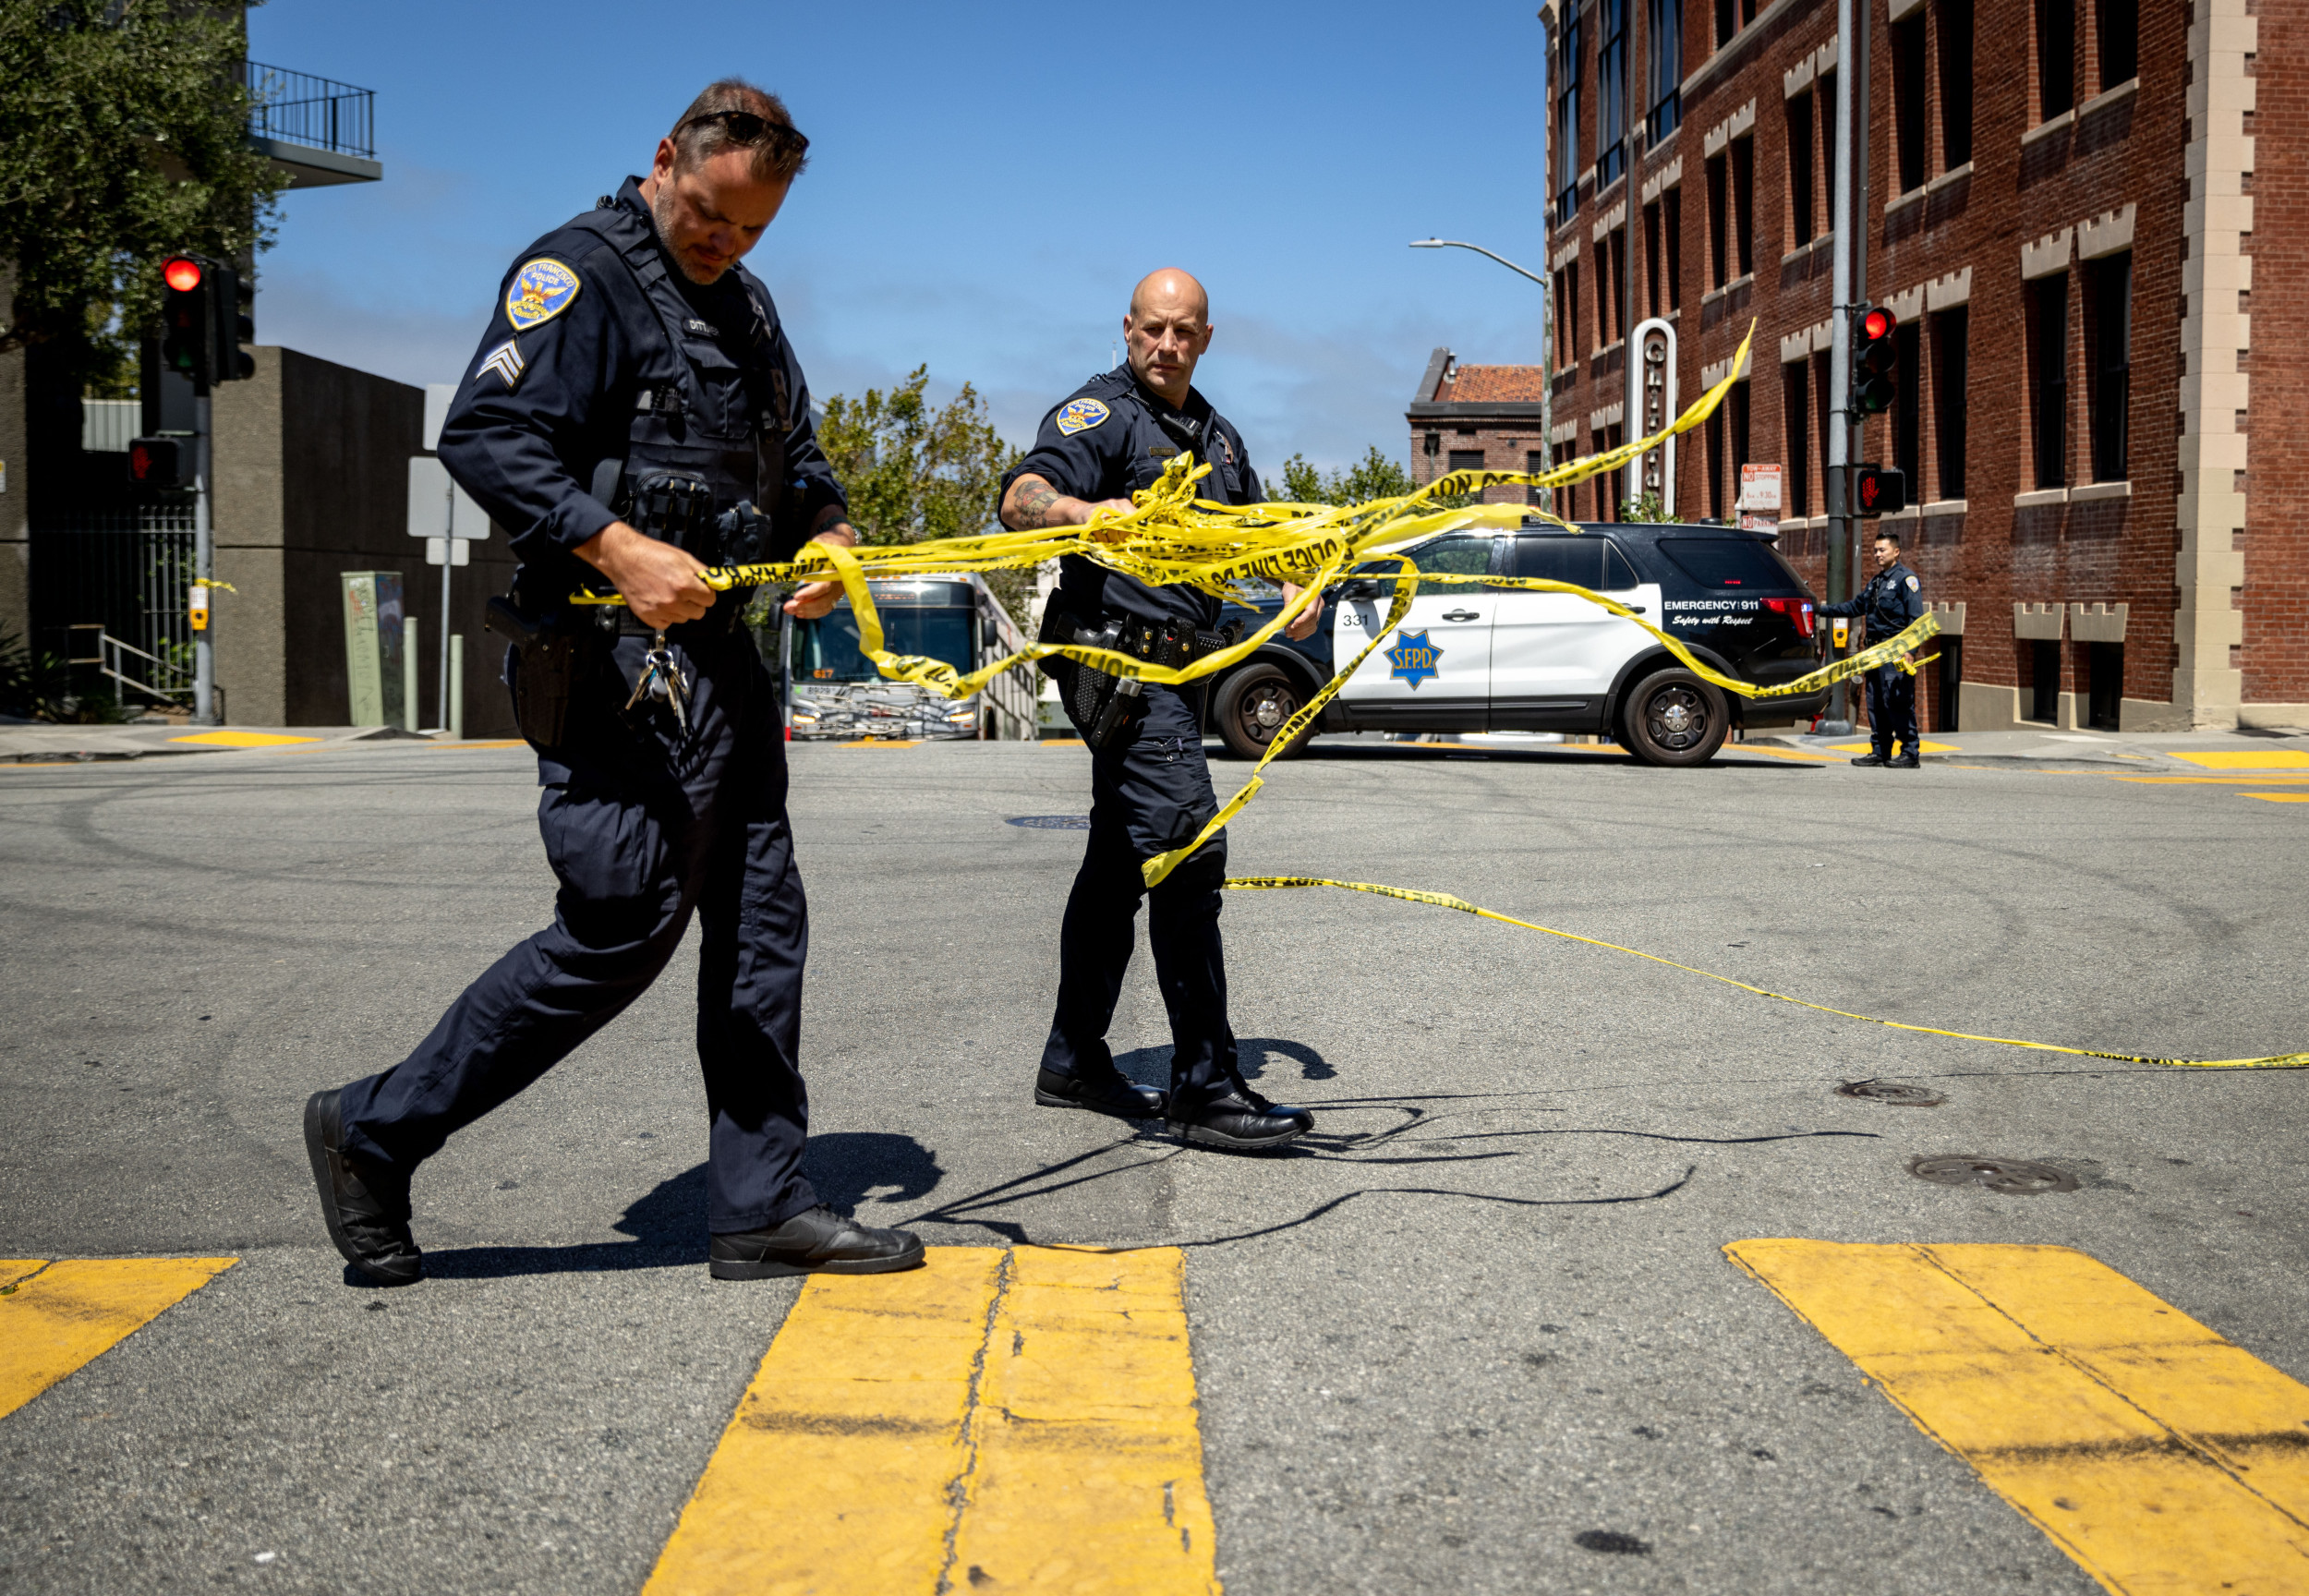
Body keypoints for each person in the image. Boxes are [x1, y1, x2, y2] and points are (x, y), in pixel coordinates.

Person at [303, 82, 924, 1287]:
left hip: (723, 664)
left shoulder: (746, 307)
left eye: (751, 229)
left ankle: (760, 1202)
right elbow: (486, 436)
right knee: (619, 927)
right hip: (608, 659)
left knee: (761, 928)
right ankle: (373, 1130)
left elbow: (800, 465)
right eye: (709, 216)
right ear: (664, 161)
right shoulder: (579, 277)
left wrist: (831, 538)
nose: (724, 244)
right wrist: (614, 543)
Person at [998, 269, 1322, 1151]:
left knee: (1116, 866)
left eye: (1183, 332)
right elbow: (1020, 496)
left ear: (1205, 339)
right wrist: (1077, 510)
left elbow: (1256, 529)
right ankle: (1205, 1085)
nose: (1165, 345)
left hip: (1184, 671)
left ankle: (1073, 1059)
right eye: (1151, 329)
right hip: (1123, 671)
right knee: (1188, 854)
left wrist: (1298, 575)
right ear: (1128, 328)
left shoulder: (1215, 437)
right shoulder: (1100, 417)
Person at [1822, 529, 1926, 768]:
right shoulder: (1876, 582)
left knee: (1898, 702)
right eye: (1875, 550)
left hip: (1895, 653)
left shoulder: (1906, 580)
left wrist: (1910, 651)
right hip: (1874, 653)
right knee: (1875, 702)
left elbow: (1916, 620)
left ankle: (1910, 753)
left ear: (1896, 552)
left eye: (1882, 550)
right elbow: (1854, 607)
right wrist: (1821, 609)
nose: (1877, 554)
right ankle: (1880, 751)